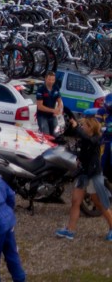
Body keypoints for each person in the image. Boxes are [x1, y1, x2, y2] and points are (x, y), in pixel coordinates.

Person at [55, 110, 112, 241]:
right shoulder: (85, 137)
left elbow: (87, 139)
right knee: (75, 202)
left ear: (90, 127)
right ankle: (70, 230)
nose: (82, 127)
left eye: (85, 125)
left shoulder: (96, 139)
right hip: (83, 174)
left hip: (94, 175)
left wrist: (76, 127)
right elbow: (76, 135)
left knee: (101, 203)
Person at [36, 71, 62, 135]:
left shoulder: (56, 88)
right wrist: (53, 110)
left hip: (52, 116)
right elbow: (40, 107)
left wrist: (58, 109)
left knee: (56, 134)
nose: (51, 82)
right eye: (49, 79)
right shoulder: (41, 89)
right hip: (42, 116)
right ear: (46, 79)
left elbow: (59, 101)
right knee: (46, 135)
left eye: (53, 80)